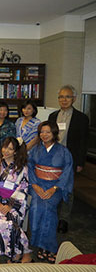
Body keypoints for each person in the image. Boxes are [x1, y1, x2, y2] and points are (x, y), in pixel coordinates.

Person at [28, 121, 73, 264]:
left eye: (47, 132)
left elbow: (67, 171)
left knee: (48, 208)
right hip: (38, 184)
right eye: (41, 132)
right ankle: (41, 245)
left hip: (55, 186)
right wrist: (34, 185)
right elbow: (29, 167)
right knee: (36, 207)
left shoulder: (64, 151)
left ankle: (48, 247)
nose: (44, 135)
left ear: (54, 133)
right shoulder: (35, 150)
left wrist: (54, 188)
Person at [48, 85, 89, 234]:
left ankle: (63, 220)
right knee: (52, 187)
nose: (63, 100)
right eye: (61, 97)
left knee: (67, 189)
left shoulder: (81, 118)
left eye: (67, 97)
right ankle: (52, 217)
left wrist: (80, 162)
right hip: (52, 158)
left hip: (70, 158)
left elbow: (84, 142)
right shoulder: (52, 116)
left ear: (74, 99)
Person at [0, 137, 32, 263]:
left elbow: (23, 188)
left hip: (15, 203)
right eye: (4, 147)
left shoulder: (22, 168)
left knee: (11, 222)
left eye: (10, 149)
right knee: (3, 222)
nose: (6, 151)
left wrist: (9, 205)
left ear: (15, 151)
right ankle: (21, 251)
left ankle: (15, 253)